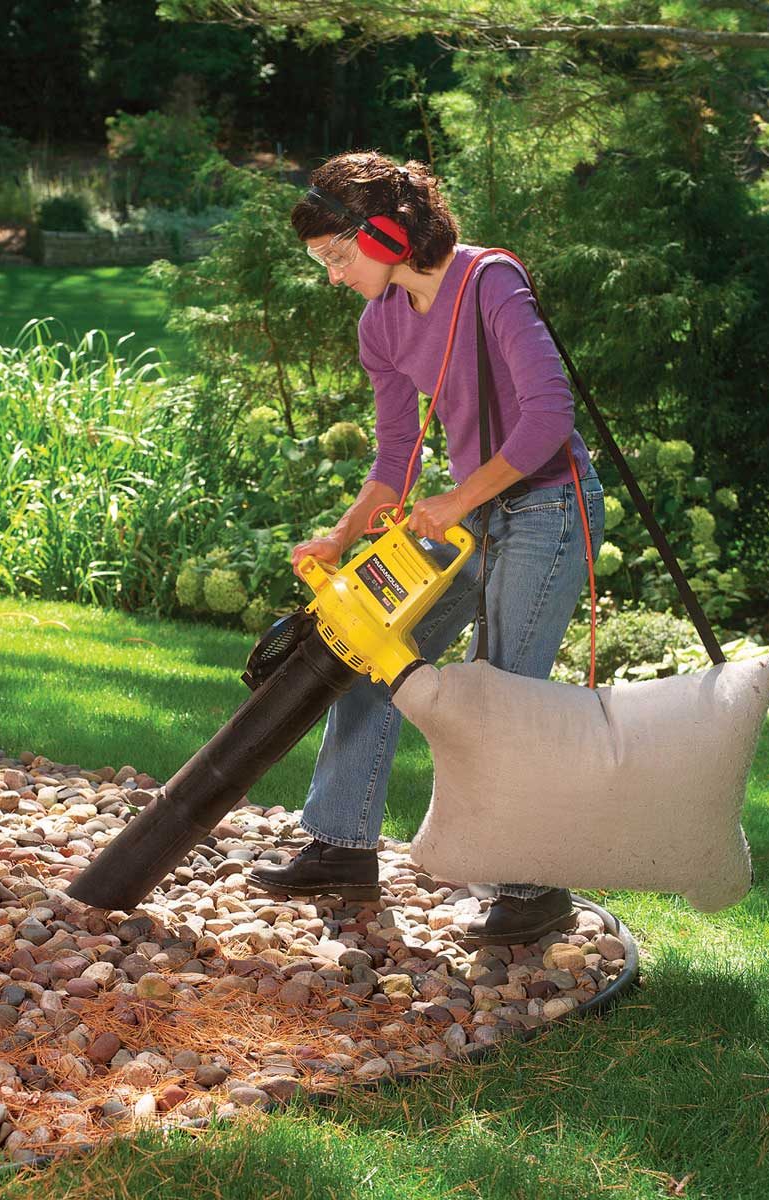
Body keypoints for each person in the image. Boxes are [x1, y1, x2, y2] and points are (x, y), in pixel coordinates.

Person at [248, 151, 605, 946]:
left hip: (548, 508)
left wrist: (453, 503)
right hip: (470, 517)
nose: (335, 276)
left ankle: (532, 889)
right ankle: (342, 844)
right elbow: (395, 456)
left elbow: (549, 418)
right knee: (375, 654)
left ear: (384, 233)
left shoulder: (491, 282)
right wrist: (343, 534)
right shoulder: (382, 324)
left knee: (505, 699)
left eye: (338, 257)